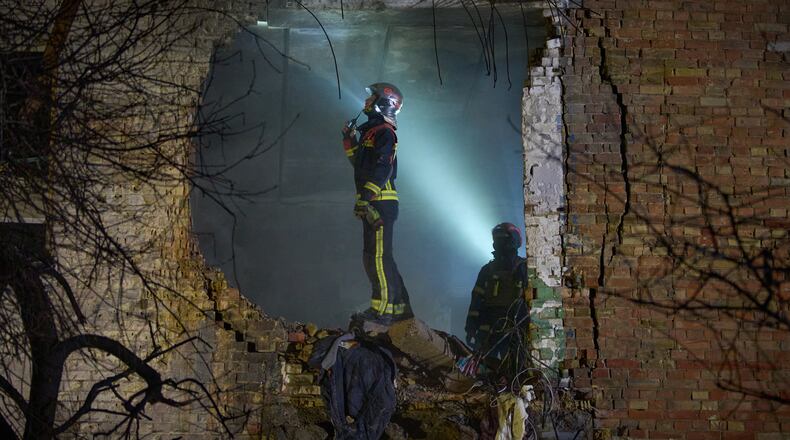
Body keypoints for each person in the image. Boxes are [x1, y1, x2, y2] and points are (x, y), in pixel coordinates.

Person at [342, 83, 413, 326]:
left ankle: (386, 311)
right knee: (371, 257)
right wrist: (349, 141)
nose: (366, 102)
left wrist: (368, 197)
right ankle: (388, 306)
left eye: (372, 97)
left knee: (379, 258)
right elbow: (361, 166)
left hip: (381, 204)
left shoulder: (385, 133)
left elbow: (383, 167)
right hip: (371, 203)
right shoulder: (371, 133)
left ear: (385, 102)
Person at [465, 223, 530, 356]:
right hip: (492, 333)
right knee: (491, 371)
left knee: (510, 371)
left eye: (502, 238)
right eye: (498, 239)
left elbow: (476, 302)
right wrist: (471, 327)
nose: (499, 243)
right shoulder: (488, 270)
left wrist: (471, 328)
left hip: (512, 332)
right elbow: (476, 302)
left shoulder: (523, 268)